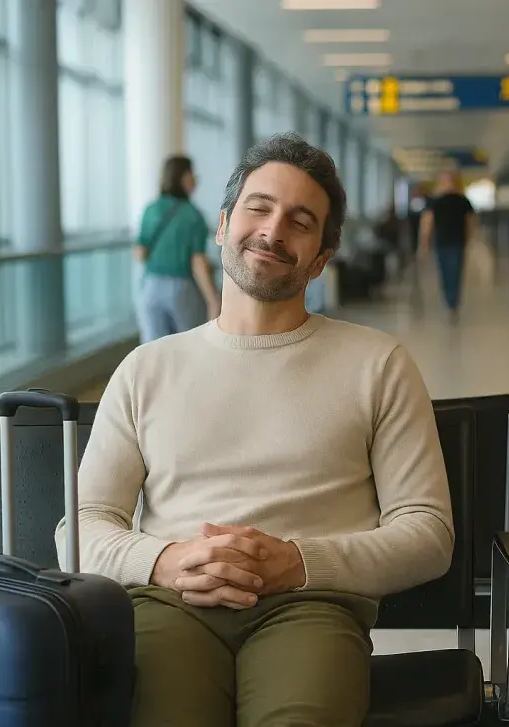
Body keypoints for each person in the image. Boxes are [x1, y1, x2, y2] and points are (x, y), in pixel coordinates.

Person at [55, 133, 454, 727]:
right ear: (222, 225)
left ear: (322, 257)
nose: (272, 231)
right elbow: (79, 527)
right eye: (258, 208)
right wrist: (167, 559)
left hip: (312, 605)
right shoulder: (147, 368)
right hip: (171, 602)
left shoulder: (377, 363)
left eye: (300, 221)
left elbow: (428, 532)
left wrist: (299, 561)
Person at [133, 155, 221, 343]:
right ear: (182, 177)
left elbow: (140, 254)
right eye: (192, 174)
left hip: (150, 287)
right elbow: (197, 262)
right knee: (188, 347)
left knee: (152, 352)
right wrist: (213, 298)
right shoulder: (193, 215)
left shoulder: (151, 209)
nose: (195, 179)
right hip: (182, 289)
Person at [419, 170, 477, 319]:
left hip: (453, 240)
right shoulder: (442, 200)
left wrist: (424, 244)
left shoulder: (458, 200)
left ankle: (452, 302)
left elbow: (470, 221)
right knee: (449, 272)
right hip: (447, 240)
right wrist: (425, 243)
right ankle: (451, 302)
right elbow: (428, 222)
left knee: (452, 272)